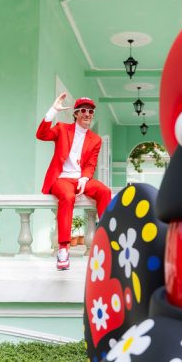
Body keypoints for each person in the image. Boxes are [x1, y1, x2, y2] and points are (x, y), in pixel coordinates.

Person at [37, 92, 112, 270]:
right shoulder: (62, 128)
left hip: (81, 178)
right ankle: (63, 249)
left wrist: (85, 178)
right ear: (76, 113)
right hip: (61, 178)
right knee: (68, 197)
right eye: (84, 110)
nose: (88, 114)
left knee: (104, 191)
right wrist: (53, 111)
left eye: (91, 112)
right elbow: (41, 134)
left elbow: (91, 163)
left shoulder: (96, 139)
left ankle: (108, 238)